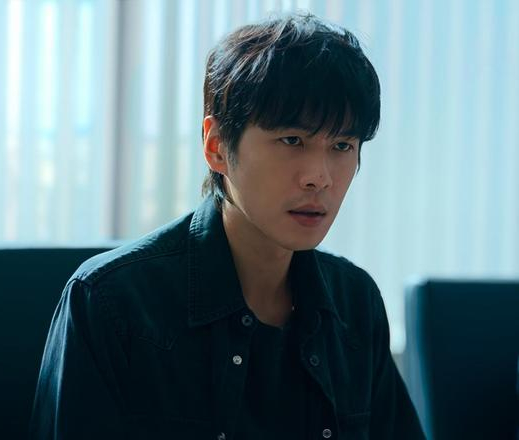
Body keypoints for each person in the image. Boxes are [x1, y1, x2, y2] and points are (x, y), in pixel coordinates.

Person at [30, 12, 425, 439]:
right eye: (292, 140)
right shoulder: (111, 304)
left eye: (342, 145)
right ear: (217, 146)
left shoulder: (355, 304)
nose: (320, 176)